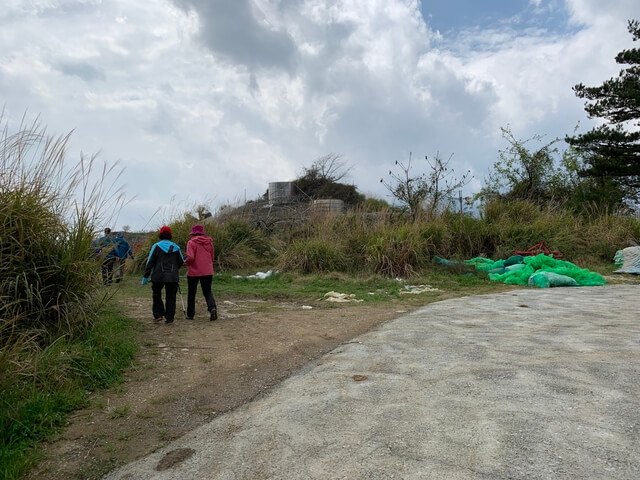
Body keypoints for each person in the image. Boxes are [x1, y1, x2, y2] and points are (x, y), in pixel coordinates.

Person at [142, 226, 184, 324]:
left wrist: (145, 276)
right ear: (170, 235)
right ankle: (169, 318)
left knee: (156, 295)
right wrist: (175, 269)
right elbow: (181, 261)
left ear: (160, 234)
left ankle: (158, 315)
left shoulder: (156, 246)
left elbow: (150, 262)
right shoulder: (176, 247)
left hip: (158, 276)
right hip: (172, 277)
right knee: (171, 297)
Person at [184, 224, 218, 321]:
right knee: (207, 291)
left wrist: (185, 263)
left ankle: (190, 314)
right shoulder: (209, 242)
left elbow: (190, 257)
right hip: (207, 270)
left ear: (193, 233)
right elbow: (212, 257)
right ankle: (212, 308)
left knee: (191, 292)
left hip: (194, 271)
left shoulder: (191, 243)